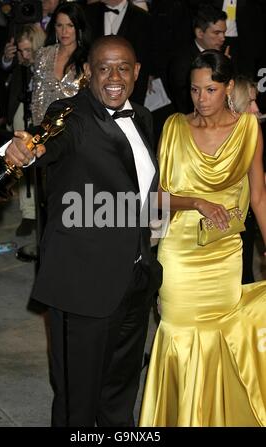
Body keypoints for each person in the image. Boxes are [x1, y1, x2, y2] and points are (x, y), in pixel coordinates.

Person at [4, 35, 162, 427]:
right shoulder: (70, 114)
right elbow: (47, 139)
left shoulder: (143, 117)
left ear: (137, 71)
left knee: (119, 397)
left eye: (123, 67)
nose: (114, 76)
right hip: (84, 283)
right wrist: (25, 148)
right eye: (103, 67)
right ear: (87, 72)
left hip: (135, 279)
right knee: (78, 404)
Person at [139, 49, 266, 427]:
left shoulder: (249, 130)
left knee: (218, 337)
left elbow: (258, 195)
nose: (201, 99)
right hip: (178, 252)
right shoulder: (174, 127)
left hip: (225, 253)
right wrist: (196, 200)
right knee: (177, 329)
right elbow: (156, 195)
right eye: (195, 91)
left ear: (228, 87)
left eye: (210, 90)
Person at [1, 24, 46, 236]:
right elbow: (4, 68)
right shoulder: (20, 65)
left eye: (29, 50)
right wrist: (10, 58)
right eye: (21, 50)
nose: (25, 55)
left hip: (41, 117)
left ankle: (45, 208)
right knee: (21, 161)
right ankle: (28, 213)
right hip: (20, 112)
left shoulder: (47, 63)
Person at [31, 1, 90, 126]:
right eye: (59, 25)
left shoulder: (89, 59)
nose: (64, 31)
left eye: (70, 25)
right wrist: (38, 132)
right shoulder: (43, 55)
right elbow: (36, 99)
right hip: (43, 130)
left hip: (76, 130)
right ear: (54, 27)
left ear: (78, 28)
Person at [168, 3, 228, 114]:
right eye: (217, 33)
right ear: (200, 33)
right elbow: (185, 103)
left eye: (224, 32)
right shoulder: (182, 62)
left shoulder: (225, 54)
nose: (223, 38)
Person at [231, 75, 261, 284]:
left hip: (245, 218)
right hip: (215, 226)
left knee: (245, 279)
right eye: (250, 101)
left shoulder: (252, 134)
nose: (256, 108)